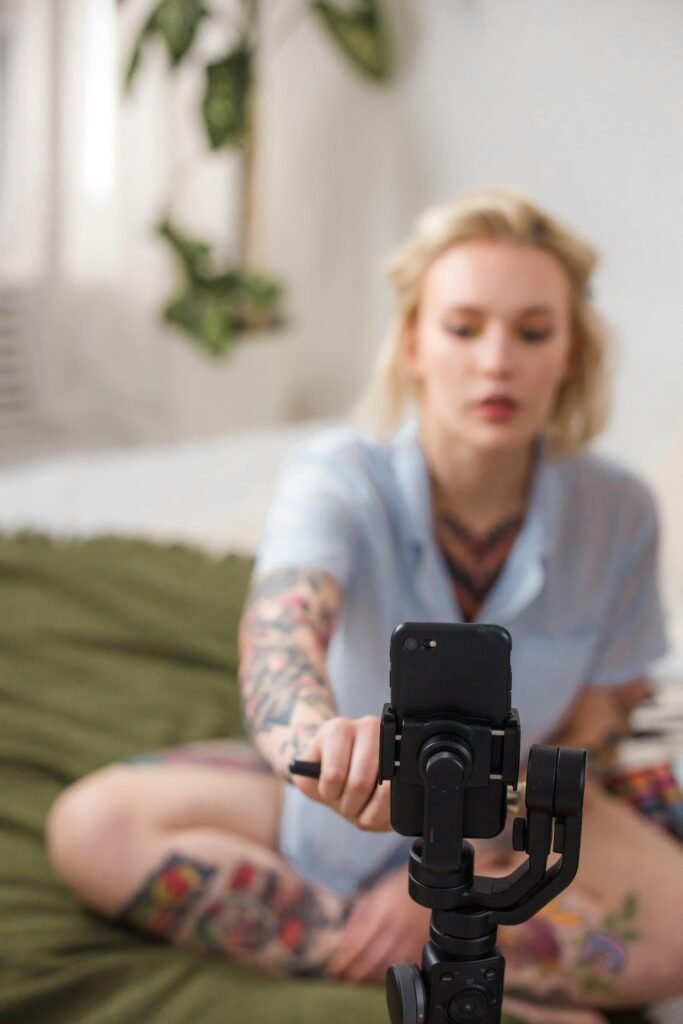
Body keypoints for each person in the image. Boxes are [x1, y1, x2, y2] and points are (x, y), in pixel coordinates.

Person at [46, 190, 683, 1024]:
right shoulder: (338, 474)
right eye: (462, 328)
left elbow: (598, 714)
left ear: (568, 353)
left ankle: (402, 951)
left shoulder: (619, 511)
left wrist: (459, 873)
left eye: (531, 332)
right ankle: (403, 965)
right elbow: (279, 639)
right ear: (414, 341)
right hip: (331, 813)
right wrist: (318, 745)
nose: (496, 362)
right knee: (89, 829)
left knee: (671, 935)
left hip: (509, 819)